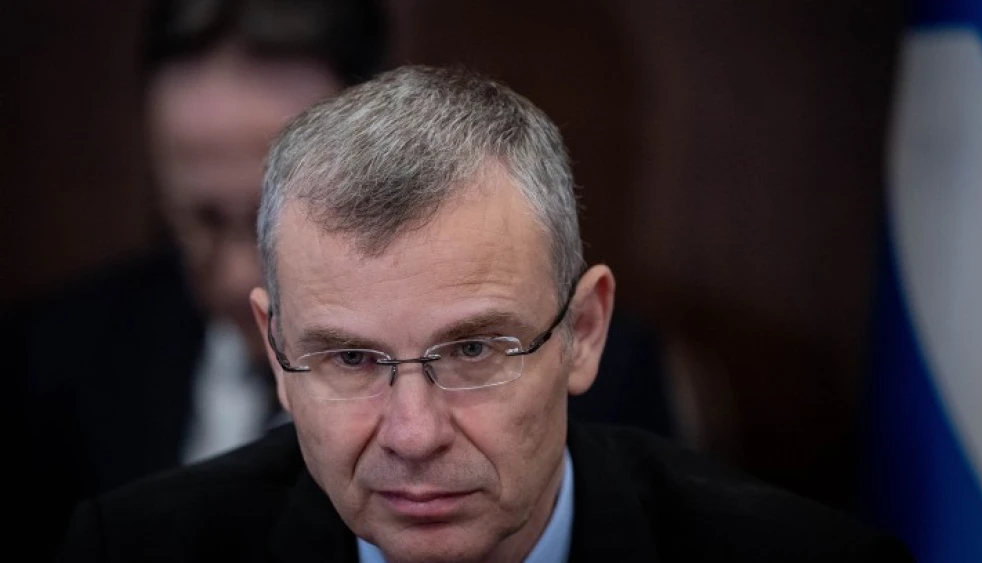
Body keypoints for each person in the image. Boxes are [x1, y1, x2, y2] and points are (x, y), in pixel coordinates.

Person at [57, 65, 911, 562]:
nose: (413, 433)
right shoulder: (132, 552)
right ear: (277, 352)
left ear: (583, 332)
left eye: (472, 349)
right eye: (350, 358)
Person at [10, 0, 386, 553]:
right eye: (202, 221)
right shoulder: (45, 368)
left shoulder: (453, 382)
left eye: (266, 224)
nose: (237, 279)